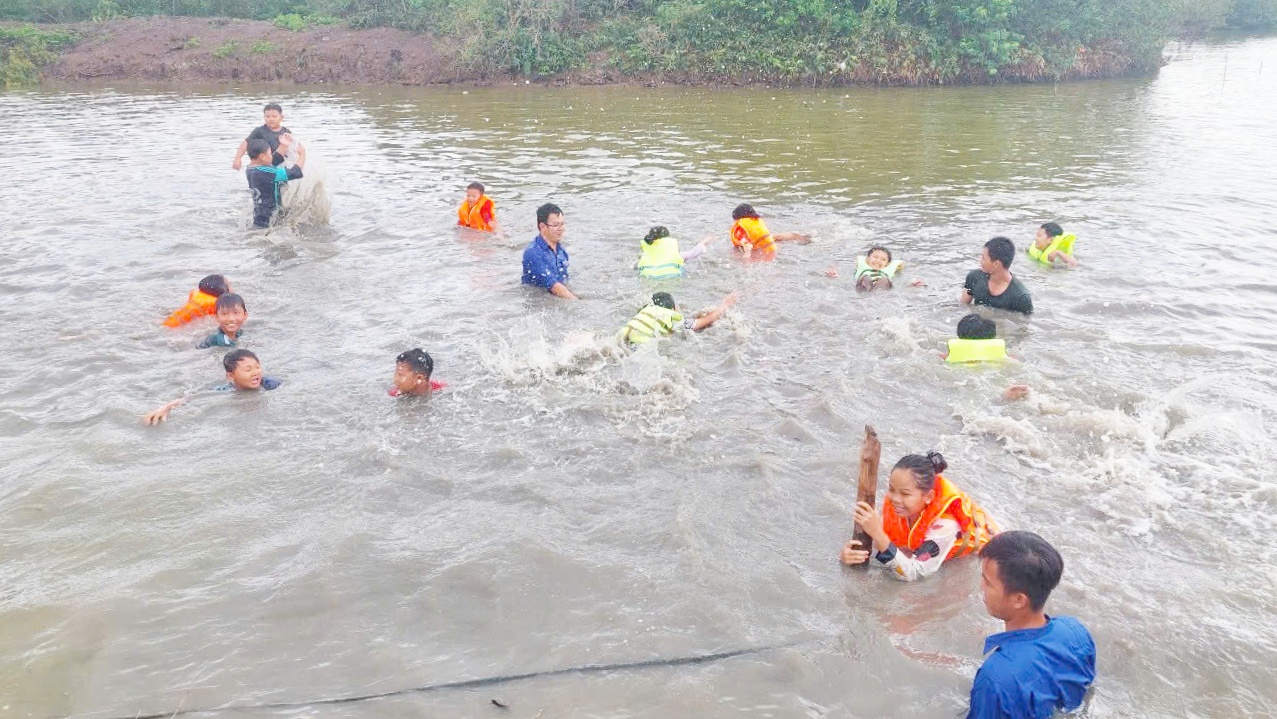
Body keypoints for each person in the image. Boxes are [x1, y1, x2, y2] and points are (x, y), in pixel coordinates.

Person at [968, 531, 1096, 719]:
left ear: (1019, 599)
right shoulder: (1076, 631)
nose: (981, 587)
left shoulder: (994, 679)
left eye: (988, 583)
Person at [840, 452, 999, 581]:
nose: (895, 499)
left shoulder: (945, 525)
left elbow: (913, 573)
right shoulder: (901, 508)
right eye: (892, 489)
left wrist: (877, 534)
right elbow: (880, 544)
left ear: (929, 497)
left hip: (976, 553)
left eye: (905, 493)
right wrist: (847, 556)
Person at [143, 349, 282, 424]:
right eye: (248, 370)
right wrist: (166, 407)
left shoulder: (270, 385)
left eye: (257, 367)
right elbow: (193, 398)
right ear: (230, 376)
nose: (255, 373)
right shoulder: (224, 389)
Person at [617, 290, 739, 347]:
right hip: (643, 348)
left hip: (624, 341)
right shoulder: (673, 319)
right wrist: (725, 304)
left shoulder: (644, 313)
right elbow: (708, 320)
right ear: (674, 309)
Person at [962, 237, 1033, 315]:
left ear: (996, 264)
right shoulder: (974, 278)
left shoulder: (1021, 297)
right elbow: (963, 305)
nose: (980, 261)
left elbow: (1023, 324)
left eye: (983, 258)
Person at [247, 138, 305, 229]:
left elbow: (271, 162)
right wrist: (302, 154)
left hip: (259, 217)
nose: (271, 156)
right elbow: (295, 172)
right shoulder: (268, 173)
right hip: (271, 220)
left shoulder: (251, 169)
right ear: (262, 156)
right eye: (270, 153)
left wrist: (283, 146)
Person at [521, 203, 576, 299]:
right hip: (538, 304)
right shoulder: (533, 253)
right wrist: (578, 301)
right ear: (542, 227)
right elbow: (553, 285)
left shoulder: (561, 250)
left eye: (562, 224)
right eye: (556, 225)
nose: (561, 229)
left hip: (557, 297)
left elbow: (563, 281)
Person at [231, 103, 305, 170]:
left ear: (281, 117)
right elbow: (246, 143)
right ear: (264, 117)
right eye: (268, 116)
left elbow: (293, 149)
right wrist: (238, 158)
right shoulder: (259, 131)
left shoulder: (286, 132)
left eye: (274, 116)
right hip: (265, 165)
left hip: (282, 165)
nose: (271, 119)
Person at [729, 204, 810, 260]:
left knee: (735, 252)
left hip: (763, 253)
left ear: (738, 218)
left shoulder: (740, 229)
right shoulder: (755, 221)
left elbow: (747, 245)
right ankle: (799, 236)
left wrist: (746, 257)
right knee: (774, 237)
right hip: (770, 245)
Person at [826, 245, 924, 290]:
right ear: (868, 259)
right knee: (865, 277)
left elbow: (898, 288)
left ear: (887, 264)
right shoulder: (861, 270)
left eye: (883, 259)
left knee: (885, 280)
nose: (878, 260)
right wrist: (835, 276)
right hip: (862, 287)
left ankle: (878, 295)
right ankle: (865, 293)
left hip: (882, 289)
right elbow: (848, 283)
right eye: (875, 257)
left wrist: (911, 285)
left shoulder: (887, 274)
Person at [636, 226, 711, 280]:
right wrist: (704, 241)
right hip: (672, 277)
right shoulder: (677, 254)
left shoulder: (645, 255)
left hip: (648, 278)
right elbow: (695, 252)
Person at [162, 274, 230, 327]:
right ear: (222, 288)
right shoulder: (218, 304)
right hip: (177, 331)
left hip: (168, 322)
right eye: (229, 285)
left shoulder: (197, 296)